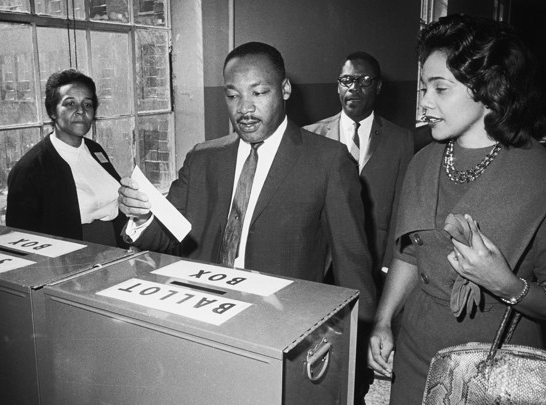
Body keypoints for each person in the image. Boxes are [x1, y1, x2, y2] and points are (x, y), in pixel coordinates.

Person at [118, 40, 376, 335]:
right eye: (232, 95)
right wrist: (141, 217)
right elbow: (168, 235)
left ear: (285, 89)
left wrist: (360, 336)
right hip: (200, 312)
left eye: (259, 92)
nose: (244, 108)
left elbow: (351, 259)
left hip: (281, 323)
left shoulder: (328, 160)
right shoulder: (202, 158)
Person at [367, 14, 546, 404]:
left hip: (494, 366)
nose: (424, 102)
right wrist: (384, 321)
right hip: (416, 351)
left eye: (440, 89)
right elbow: (408, 252)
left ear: (489, 90)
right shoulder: (422, 160)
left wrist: (505, 283)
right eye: (424, 88)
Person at [304, 52, 414, 288]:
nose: (353, 88)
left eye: (364, 81)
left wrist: (389, 264)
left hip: (373, 260)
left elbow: (400, 209)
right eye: (346, 81)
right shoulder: (311, 136)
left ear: (378, 86)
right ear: (338, 86)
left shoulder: (401, 140)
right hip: (321, 260)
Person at [6, 69, 127, 248]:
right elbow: (21, 238)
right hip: (68, 259)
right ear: (52, 111)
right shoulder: (30, 168)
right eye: (70, 104)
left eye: (88, 104)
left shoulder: (95, 150)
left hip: (116, 248)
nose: (80, 111)